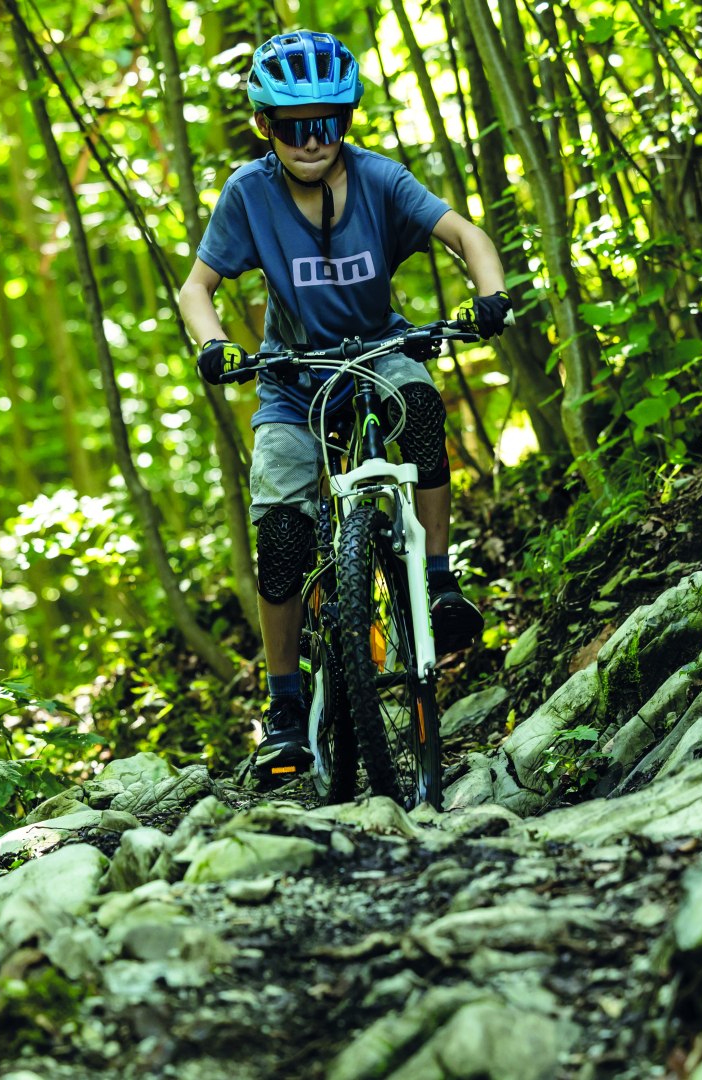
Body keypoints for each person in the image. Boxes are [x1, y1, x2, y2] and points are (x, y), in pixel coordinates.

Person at [175, 29, 514, 786]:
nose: (310, 140)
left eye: (325, 123)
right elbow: (198, 288)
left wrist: (490, 296)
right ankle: (286, 706)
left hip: (378, 350)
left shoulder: (378, 179)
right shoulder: (248, 193)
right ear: (265, 126)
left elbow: (462, 233)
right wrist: (212, 345)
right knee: (285, 532)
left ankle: (437, 576)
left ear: (346, 123)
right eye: (292, 127)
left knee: (420, 403)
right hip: (291, 383)